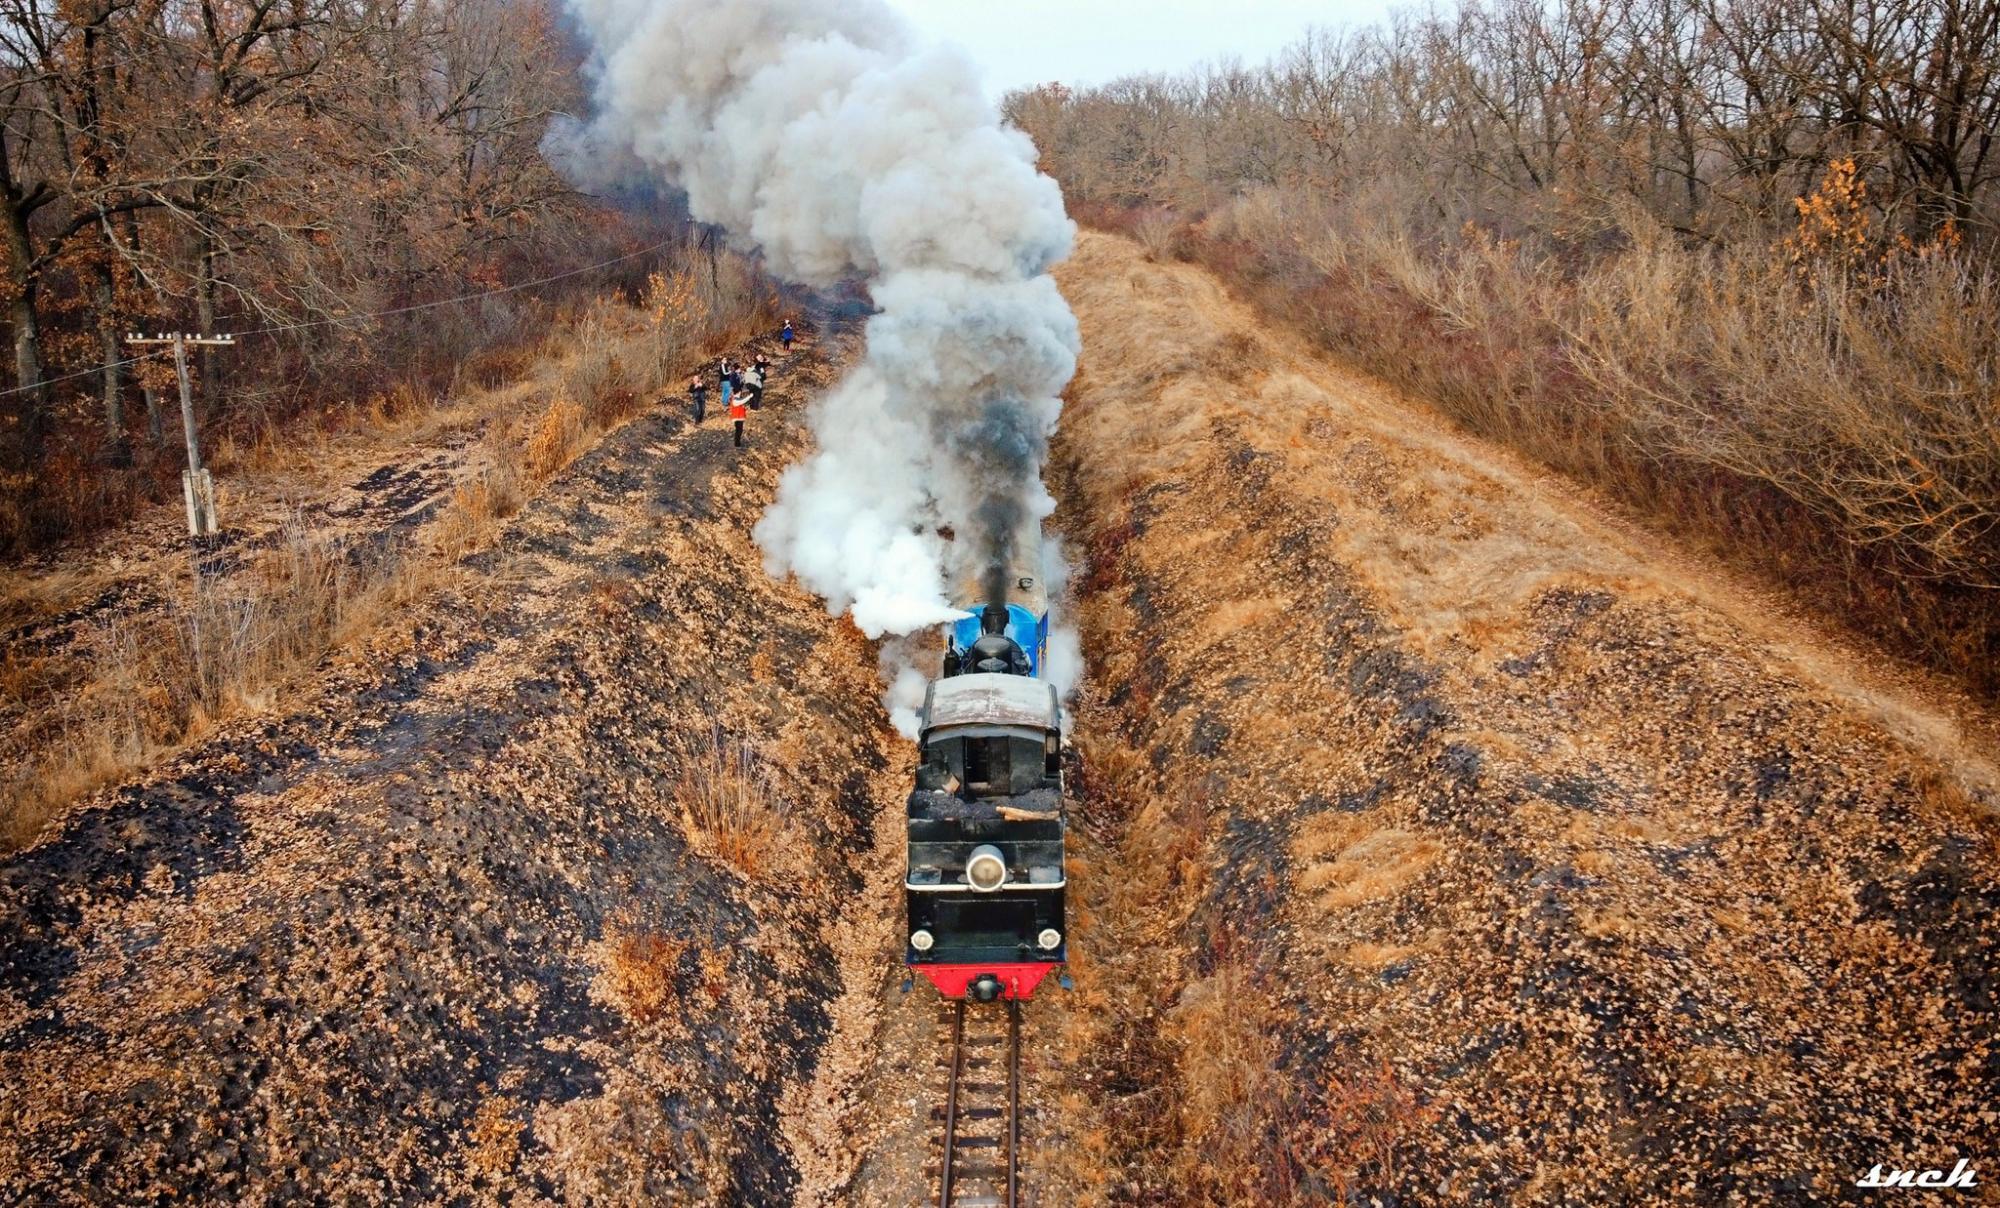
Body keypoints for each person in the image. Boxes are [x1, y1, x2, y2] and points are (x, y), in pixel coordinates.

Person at [730, 382, 748, 448]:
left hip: (739, 417)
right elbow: (742, 401)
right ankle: (737, 444)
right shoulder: (735, 400)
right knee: (739, 430)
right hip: (737, 417)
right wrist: (749, 397)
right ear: (739, 392)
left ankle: (737, 442)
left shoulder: (735, 398)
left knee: (739, 430)